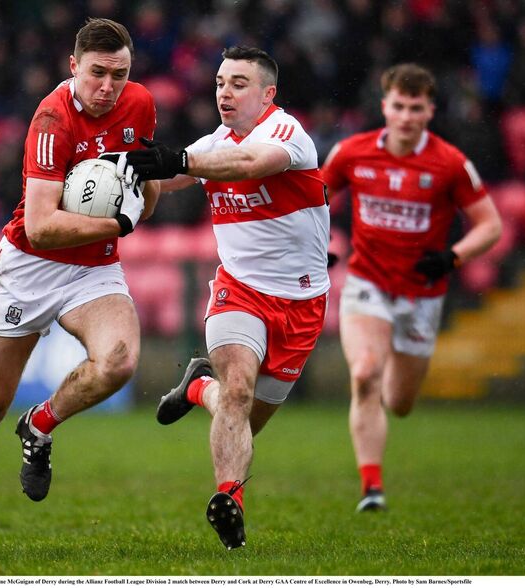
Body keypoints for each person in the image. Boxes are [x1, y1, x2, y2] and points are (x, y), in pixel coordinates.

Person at [0, 18, 159, 553]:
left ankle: (41, 424)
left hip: (92, 268)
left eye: (119, 75)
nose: (108, 87)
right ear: (73, 67)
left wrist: (144, 197)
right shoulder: (51, 120)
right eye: (97, 73)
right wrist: (119, 224)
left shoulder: (140, 104)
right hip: (30, 267)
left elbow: (145, 187)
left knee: (119, 360)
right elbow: (41, 225)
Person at [126, 46, 331, 549]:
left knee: (241, 417)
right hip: (238, 292)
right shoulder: (215, 142)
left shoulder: (286, 133)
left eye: (239, 83)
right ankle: (229, 501)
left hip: (302, 305)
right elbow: (173, 175)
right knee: (237, 393)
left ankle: (198, 387)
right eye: (220, 82)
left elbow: (248, 163)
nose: (225, 91)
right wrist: (126, 168)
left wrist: (182, 159)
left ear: (268, 94)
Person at [320, 63, 503, 512]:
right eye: (398, 106)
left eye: (415, 108)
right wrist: (318, 244)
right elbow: (312, 201)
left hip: (422, 294)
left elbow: (491, 226)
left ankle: (381, 413)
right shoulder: (351, 153)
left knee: (399, 402)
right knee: (364, 373)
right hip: (367, 283)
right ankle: (371, 487)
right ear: (384, 106)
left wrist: (452, 257)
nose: (405, 116)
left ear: (430, 111)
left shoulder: (450, 163)